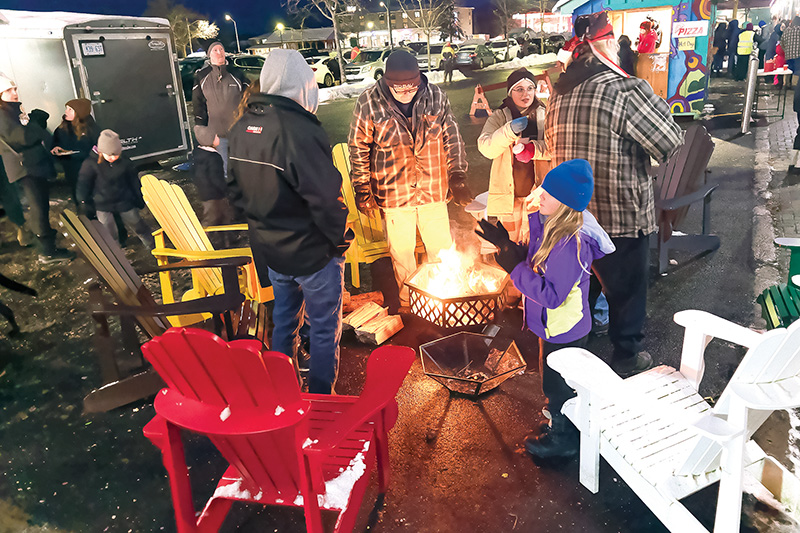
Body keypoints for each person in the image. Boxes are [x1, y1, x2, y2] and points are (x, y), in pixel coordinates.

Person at [539, 11, 683, 378]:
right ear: (606, 45)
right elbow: (669, 142)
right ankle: (626, 359)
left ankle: (566, 372)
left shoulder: (559, 93)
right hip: (620, 216)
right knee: (627, 294)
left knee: (575, 297)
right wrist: (648, 92)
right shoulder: (624, 90)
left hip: (572, 220)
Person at [227, 49, 352, 395]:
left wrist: (264, 226)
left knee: (284, 322)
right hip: (312, 252)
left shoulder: (242, 127)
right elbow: (326, 196)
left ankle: (283, 393)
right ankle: (322, 398)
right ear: (304, 86)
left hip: (273, 251)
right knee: (325, 329)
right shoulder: (298, 128)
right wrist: (339, 240)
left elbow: (235, 192)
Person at [476, 159, 614, 459]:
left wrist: (514, 268)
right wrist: (507, 245)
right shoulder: (549, 225)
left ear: (564, 203)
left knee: (559, 385)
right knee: (551, 379)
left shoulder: (570, 243)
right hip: (550, 325)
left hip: (564, 327)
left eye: (548, 194)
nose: (540, 196)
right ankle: (558, 422)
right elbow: (538, 261)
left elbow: (552, 295)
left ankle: (565, 440)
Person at [348, 50, 471, 309]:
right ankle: (410, 303)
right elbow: (358, 147)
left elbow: (453, 137)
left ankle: (444, 300)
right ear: (387, 82)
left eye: (411, 89)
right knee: (402, 255)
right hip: (393, 192)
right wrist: (361, 186)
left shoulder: (436, 96)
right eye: (399, 90)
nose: (406, 94)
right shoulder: (368, 102)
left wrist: (457, 174)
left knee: (440, 250)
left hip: (433, 188)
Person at [0, 73, 74, 264]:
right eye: (8, 90)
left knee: (40, 205)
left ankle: (46, 239)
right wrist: (36, 121)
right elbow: (22, 137)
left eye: (14, 88)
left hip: (30, 165)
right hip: (25, 168)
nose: (14, 93)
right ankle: (47, 252)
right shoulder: (2, 114)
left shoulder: (11, 110)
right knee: (38, 208)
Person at [478, 68, 546, 247]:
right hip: (510, 197)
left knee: (538, 246)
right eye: (519, 89)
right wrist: (508, 131)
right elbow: (486, 148)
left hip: (538, 195)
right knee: (511, 247)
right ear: (510, 92)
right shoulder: (500, 116)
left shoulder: (545, 114)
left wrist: (533, 150)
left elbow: (557, 147)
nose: (526, 94)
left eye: (530, 88)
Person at [76, 129, 155, 250]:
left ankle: (153, 247)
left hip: (124, 201)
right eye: (109, 154)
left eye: (116, 154)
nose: (113, 157)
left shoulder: (125, 162)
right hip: (102, 204)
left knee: (138, 225)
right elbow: (83, 183)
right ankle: (116, 255)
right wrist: (84, 201)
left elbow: (133, 181)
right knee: (108, 233)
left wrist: (138, 198)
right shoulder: (90, 164)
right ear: (101, 151)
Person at [192, 41, 248, 178]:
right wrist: (202, 130)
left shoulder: (236, 73)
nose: (219, 52)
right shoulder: (202, 76)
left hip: (239, 132)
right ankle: (229, 197)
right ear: (209, 55)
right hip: (217, 135)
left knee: (243, 169)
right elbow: (198, 105)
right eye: (215, 50)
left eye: (221, 49)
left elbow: (249, 99)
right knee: (224, 171)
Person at [51, 98, 99, 207]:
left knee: (91, 196)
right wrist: (56, 148)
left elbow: (97, 149)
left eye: (70, 109)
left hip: (88, 169)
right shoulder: (61, 129)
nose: (66, 112)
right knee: (77, 195)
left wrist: (76, 153)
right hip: (71, 168)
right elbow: (54, 143)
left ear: (79, 112)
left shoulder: (91, 128)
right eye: (66, 109)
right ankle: (84, 215)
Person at [192, 125, 232, 246]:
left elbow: (193, 173)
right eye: (216, 136)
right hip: (216, 194)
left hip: (205, 193)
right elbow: (217, 178)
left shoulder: (197, 154)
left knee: (225, 216)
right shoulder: (214, 157)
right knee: (211, 218)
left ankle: (226, 240)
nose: (218, 138)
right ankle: (202, 241)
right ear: (209, 140)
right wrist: (226, 190)